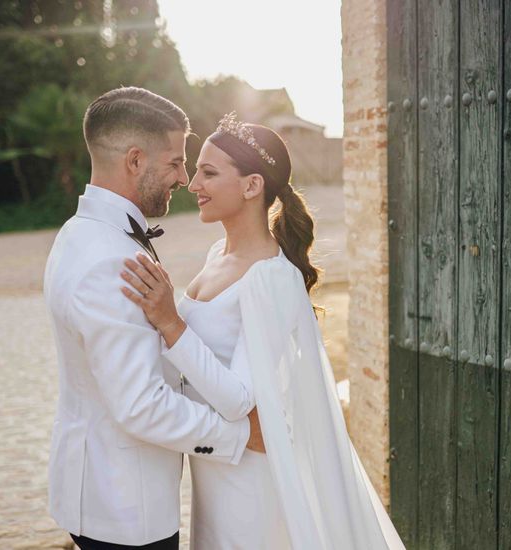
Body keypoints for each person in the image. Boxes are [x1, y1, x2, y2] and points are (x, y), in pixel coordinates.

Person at [120, 112, 405, 549]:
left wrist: (170, 322)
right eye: (196, 171)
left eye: (209, 173)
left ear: (252, 186)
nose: (193, 184)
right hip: (213, 470)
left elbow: (241, 401)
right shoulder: (219, 253)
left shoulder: (270, 277)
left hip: (248, 484)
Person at [43, 87, 265, 548]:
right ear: (135, 161)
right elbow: (141, 406)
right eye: (175, 162)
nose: (184, 178)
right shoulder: (110, 259)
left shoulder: (80, 233)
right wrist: (239, 436)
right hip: (125, 503)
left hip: (102, 490)